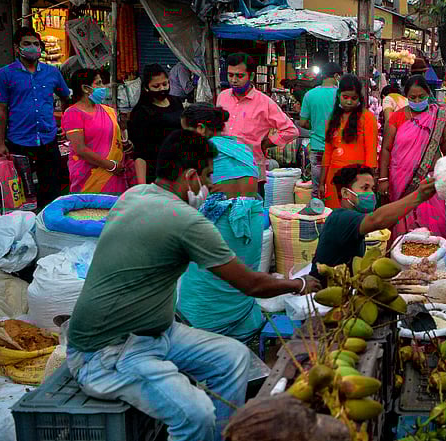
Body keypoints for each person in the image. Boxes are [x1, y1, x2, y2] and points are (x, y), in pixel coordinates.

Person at [66, 130, 320, 441]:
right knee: (195, 413)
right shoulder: (185, 221)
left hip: (156, 334)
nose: (212, 184)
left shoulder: (136, 194)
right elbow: (251, 285)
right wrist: (299, 284)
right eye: (208, 175)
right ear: (190, 176)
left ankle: (220, 436)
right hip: (106, 352)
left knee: (234, 359)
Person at [176, 104, 265, 342]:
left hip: (223, 225)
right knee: (242, 280)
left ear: (202, 129)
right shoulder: (241, 147)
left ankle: (205, 335)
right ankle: (243, 330)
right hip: (252, 223)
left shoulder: (201, 153)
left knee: (205, 281)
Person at [311, 165, 437, 281]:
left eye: (372, 188)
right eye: (365, 188)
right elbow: (377, 219)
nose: (371, 193)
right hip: (322, 291)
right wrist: (418, 196)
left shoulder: (353, 220)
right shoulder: (341, 218)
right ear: (345, 193)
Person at [0, 27, 70, 207]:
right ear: (17, 48)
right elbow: (1, 110)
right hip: (18, 141)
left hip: (47, 140)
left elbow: (66, 97)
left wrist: (64, 124)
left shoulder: (52, 72)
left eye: (36, 44)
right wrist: (0, 142)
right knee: (21, 195)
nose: (32, 47)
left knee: (51, 192)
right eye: (27, 44)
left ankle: (48, 228)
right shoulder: (5, 74)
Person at [377, 75, 446, 243]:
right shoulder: (397, 117)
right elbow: (386, 149)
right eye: (412, 97)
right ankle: (401, 261)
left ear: (429, 94)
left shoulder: (439, 117)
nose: (417, 100)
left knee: (435, 224)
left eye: (422, 96)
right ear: (406, 97)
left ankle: (435, 261)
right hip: (400, 182)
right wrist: (383, 178)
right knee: (402, 224)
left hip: (430, 181)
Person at [217, 52, 299, 195]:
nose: (234, 80)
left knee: (251, 214)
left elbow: (291, 130)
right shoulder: (222, 97)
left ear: (252, 76)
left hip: (250, 172)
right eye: (230, 75)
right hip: (224, 170)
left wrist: (267, 143)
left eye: (239, 76)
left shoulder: (264, 103)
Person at [62, 68, 134, 194]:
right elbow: (80, 149)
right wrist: (111, 165)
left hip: (116, 174)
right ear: (85, 88)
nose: (103, 87)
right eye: (99, 83)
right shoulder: (73, 114)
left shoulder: (109, 111)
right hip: (89, 176)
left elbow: (115, 140)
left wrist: (126, 145)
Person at [320, 74, 379, 209]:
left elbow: (371, 152)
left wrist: (369, 182)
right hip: (333, 179)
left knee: (354, 214)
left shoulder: (367, 118)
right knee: (334, 213)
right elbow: (327, 153)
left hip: (356, 180)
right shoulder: (333, 119)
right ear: (338, 95)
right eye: (345, 97)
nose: (349, 101)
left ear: (359, 99)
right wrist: (322, 182)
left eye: (353, 98)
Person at [129, 63, 184, 184]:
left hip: (179, 168)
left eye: (165, 84)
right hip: (155, 173)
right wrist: (142, 186)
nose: (162, 89)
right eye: (156, 86)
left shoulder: (176, 102)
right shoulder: (141, 113)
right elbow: (140, 153)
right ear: (146, 88)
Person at [298, 62, 341, 201]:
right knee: (337, 188)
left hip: (317, 147)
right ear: (336, 76)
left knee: (317, 190)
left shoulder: (309, 95)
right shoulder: (342, 95)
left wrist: (316, 126)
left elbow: (303, 122)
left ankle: (318, 217)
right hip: (337, 148)